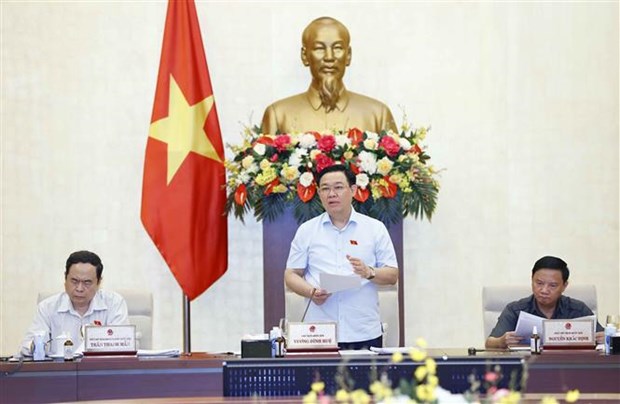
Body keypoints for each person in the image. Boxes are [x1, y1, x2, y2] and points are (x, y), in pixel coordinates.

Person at [284, 164, 399, 349]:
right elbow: (290, 275)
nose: (331, 194)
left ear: (353, 190)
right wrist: (311, 292)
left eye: (338, 187)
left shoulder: (375, 228)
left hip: (363, 331)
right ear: (319, 194)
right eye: (325, 189)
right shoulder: (307, 230)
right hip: (319, 334)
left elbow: (392, 275)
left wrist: (369, 272)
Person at [261, 16, 398, 135]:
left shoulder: (377, 114)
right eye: (319, 48)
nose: (329, 57)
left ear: (348, 55)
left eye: (337, 48)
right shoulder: (278, 115)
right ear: (305, 56)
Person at [20, 250, 128, 356]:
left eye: (87, 282)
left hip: (100, 371)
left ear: (99, 282)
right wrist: (35, 346)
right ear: (65, 278)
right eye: (74, 281)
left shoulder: (114, 304)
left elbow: (123, 346)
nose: (79, 289)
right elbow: (27, 346)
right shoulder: (47, 308)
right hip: (60, 371)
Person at [485, 256, 604, 349]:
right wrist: (501, 341)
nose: (544, 290)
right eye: (539, 283)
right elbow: (490, 343)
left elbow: (604, 337)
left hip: (568, 369)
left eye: (552, 285)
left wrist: (604, 338)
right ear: (532, 279)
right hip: (528, 370)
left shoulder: (578, 309)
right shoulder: (515, 310)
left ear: (564, 286)